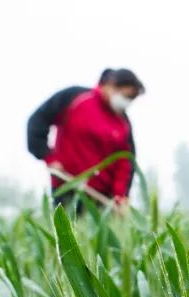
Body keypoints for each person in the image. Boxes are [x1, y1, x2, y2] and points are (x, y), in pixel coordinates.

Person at [26, 68, 144, 210]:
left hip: (102, 199)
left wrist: (120, 196)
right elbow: (37, 121)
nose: (127, 102)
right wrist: (47, 156)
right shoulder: (75, 98)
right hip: (67, 186)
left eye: (131, 99)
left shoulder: (123, 122)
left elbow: (125, 162)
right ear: (111, 86)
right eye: (125, 96)